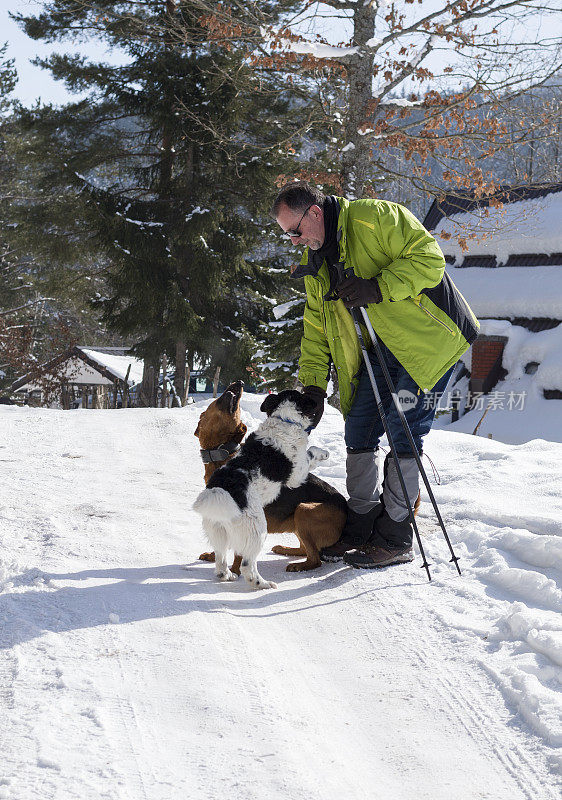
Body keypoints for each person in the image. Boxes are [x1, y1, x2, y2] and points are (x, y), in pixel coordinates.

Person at [273, 181, 479, 569]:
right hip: (383, 346)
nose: (295, 240)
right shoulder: (319, 267)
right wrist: (314, 387)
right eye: (288, 235)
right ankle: (362, 523)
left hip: (430, 339)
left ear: (315, 213)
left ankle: (397, 535)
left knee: (405, 429)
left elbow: (429, 261)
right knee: (360, 427)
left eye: (296, 230)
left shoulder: (375, 218)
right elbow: (317, 329)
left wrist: (378, 286)